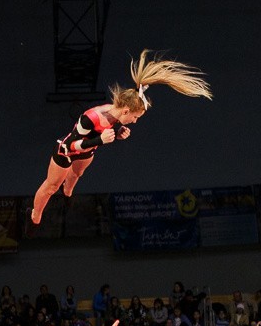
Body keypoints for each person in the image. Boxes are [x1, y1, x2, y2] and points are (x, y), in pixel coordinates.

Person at [29, 51, 212, 228]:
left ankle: (67, 191)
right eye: (134, 118)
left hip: (88, 150)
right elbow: (71, 145)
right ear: (126, 111)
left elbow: (111, 127)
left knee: (77, 174)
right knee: (51, 186)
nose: (134, 121)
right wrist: (99, 140)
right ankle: (36, 213)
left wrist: (119, 131)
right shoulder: (91, 117)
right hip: (66, 152)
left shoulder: (116, 113)